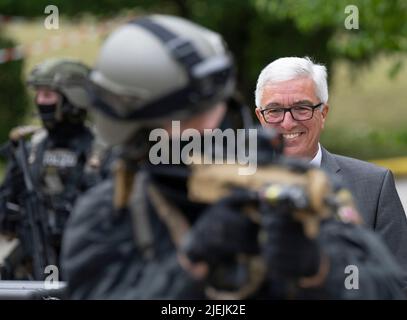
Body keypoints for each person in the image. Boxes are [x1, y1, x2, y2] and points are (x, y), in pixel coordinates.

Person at [61, 15, 405, 299]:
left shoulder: (296, 188)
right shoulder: (112, 212)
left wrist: (319, 270)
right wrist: (190, 265)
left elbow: (390, 288)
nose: (213, 126)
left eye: (218, 106)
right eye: (190, 115)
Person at [254, 56, 407, 271]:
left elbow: (399, 282)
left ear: (323, 113)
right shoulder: (232, 187)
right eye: (274, 110)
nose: (287, 123)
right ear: (261, 118)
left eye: (302, 108)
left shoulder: (374, 187)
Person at [0, 58, 103, 279]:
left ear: (73, 98)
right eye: (38, 94)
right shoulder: (30, 151)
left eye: (47, 95)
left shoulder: (100, 151)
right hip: (33, 266)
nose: (39, 101)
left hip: (88, 266)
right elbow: (6, 207)